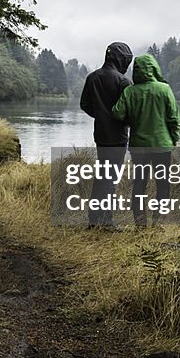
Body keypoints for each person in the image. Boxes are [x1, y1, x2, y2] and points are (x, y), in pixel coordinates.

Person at [111, 54, 180, 227]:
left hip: (138, 147)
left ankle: (140, 225)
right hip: (162, 146)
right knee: (163, 185)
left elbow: (117, 113)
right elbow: (173, 119)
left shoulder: (130, 91)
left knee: (139, 184)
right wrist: (174, 139)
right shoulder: (165, 89)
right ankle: (158, 224)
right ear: (155, 68)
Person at [80, 42, 133, 228]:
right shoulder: (123, 82)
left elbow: (85, 105)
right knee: (110, 179)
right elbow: (130, 113)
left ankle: (94, 220)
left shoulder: (92, 77)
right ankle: (106, 222)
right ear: (122, 59)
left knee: (102, 176)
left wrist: (101, 116)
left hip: (100, 134)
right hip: (118, 137)